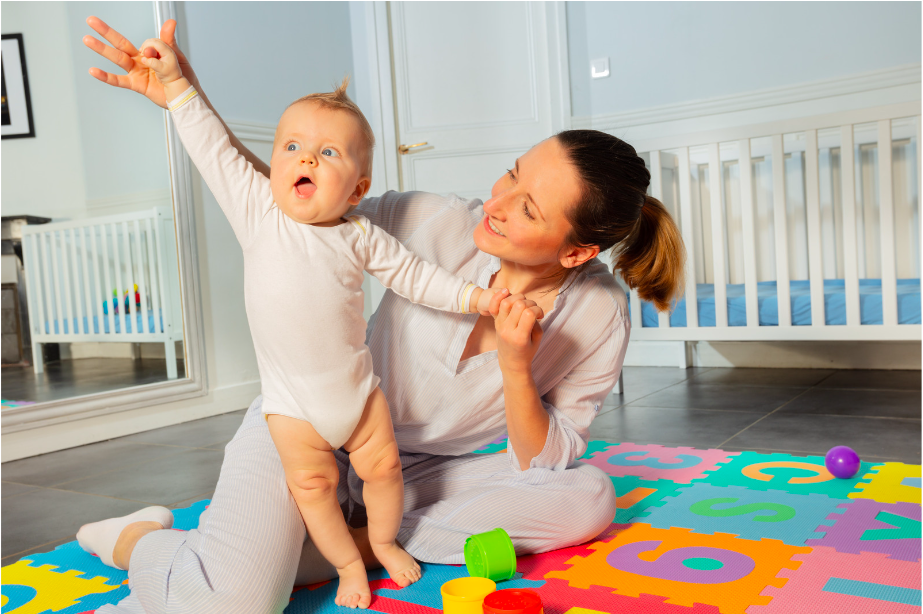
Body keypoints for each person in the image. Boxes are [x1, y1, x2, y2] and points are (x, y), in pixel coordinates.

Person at [78, 16, 685, 614]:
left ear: (576, 251)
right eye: (512, 172)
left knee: (588, 498)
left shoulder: (599, 313)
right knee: (233, 604)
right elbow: (290, 198)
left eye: (525, 208)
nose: (495, 202)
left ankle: (340, 547)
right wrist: (184, 94)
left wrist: (518, 368)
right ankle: (144, 541)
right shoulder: (433, 220)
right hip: (308, 428)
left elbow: (545, 458)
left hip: (421, 474)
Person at [77, 36, 507, 609]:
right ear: (275, 164)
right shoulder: (259, 213)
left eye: (328, 153)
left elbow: (419, 278)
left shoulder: (360, 235)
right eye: (293, 147)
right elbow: (213, 150)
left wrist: (479, 297)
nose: (306, 158)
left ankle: (382, 541)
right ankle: (349, 565)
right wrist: (178, 88)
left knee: (383, 472)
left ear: (357, 188)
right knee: (315, 491)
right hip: (293, 410)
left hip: (359, 398)